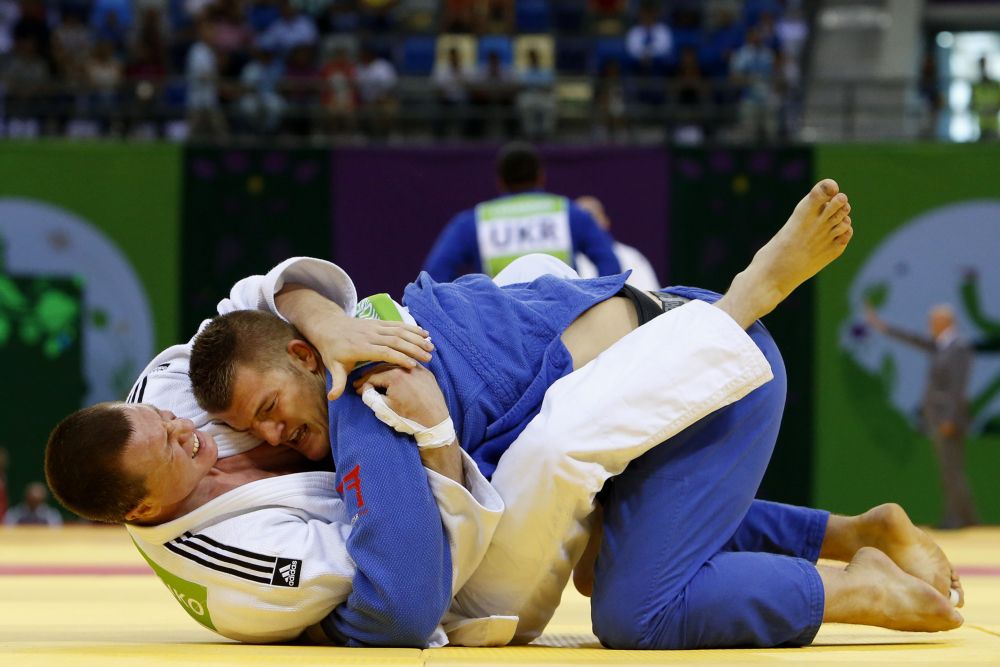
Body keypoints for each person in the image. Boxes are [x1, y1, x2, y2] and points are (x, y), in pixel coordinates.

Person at [49, 181, 961, 647]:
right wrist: (429, 438)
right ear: (141, 507)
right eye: (182, 447)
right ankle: (851, 531)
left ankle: (848, 583)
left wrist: (336, 327)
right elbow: (400, 600)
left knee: (638, 610)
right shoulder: (237, 562)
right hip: (572, 395)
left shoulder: (190, 390)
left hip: (705, 371)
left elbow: (273, 294)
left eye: (266, 412)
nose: (223, 435)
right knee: (593, 527)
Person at [422, 142, 621, 281]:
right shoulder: (569, 213)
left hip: (499, 329)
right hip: (568, 325)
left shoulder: (473, 222)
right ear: (541, 177)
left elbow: (434, 275)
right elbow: (610, 265)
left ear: (500, 181)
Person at [865, 302, 978, 529]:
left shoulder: (958, 347)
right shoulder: (941, 345)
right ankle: (966, 517)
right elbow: (913, 339)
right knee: (950, 469)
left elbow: (958, 386)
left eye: (933, 321)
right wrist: (883, 327)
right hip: (937, 417)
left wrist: (949, 418)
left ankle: (956, 518)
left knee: (952, 469)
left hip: (948, 419)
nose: (929, 325)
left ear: (945, 322)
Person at [572, 195, 660, 291]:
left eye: (591, 217)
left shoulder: (630, 256)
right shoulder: (566, 257)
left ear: (606, 221)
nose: (587, 225)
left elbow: (648, 295)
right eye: (580, 220)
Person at [971, 56, 1000, 142]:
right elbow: (973, 104)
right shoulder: (976, 86)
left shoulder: (996, 85)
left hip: (993, 124)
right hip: (980, 124)